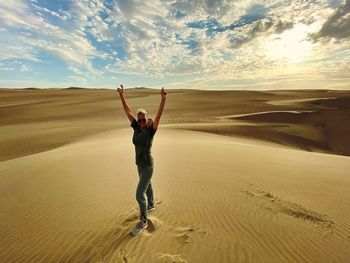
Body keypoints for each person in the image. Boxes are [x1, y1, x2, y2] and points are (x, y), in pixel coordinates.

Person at [117, 84, 167, 236]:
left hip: (148, 166)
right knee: (148, 185)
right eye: (139, 121)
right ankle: (151, 204)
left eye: (143, 120)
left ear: (147, 120)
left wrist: (163, 99)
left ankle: (144, 221)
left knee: (139, 194)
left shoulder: (151, 131)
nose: (141, 123)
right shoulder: (136, 128)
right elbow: (128, 111)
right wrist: (122, 96)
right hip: (139, 165)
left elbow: (158, 117)